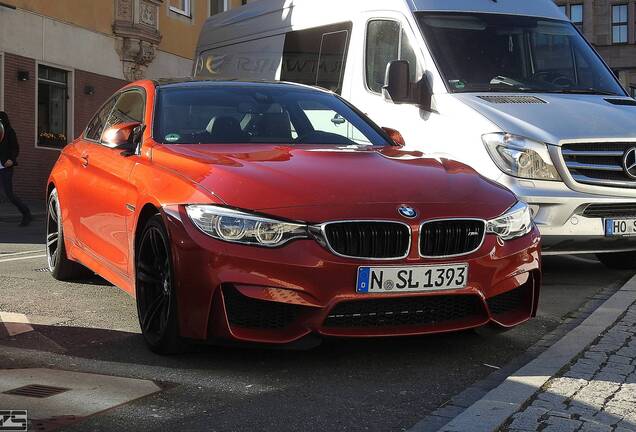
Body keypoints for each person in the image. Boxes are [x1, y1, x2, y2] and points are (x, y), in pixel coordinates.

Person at [0, 111, 32, 227]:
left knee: (9, 194)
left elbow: (15, 148)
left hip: (5, 167)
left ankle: (26, 213)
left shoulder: (9, 132)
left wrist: (11, 160)